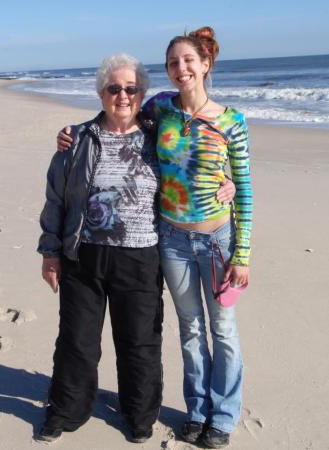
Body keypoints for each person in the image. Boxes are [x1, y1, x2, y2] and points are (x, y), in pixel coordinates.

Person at [56, 26, 251, 449]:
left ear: (205, 64)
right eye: (173, 63)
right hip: (172, 240)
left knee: (223, 330)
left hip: (217, 240)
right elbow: (115, 116)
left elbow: (246, 187)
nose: (181, 69)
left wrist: (243, 248)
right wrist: (71, 133)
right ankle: (198, 412)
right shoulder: (160, 109)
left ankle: (225, 414)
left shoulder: (231, 120)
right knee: (191, 329)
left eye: (188, 61)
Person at [37, 54, 164, 444]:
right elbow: (56, 198)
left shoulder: (162, 138)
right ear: (101, 92)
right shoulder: (76, 139)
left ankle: (139, 415)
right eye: (114, 88)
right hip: (83, 256)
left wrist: (225, 185)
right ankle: (68, 410)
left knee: (139, 342)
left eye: (131, 88)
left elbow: (198, 171)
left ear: (142, 94)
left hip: (141, 258)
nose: (122, 95)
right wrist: (50, 251)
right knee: (76, 340)